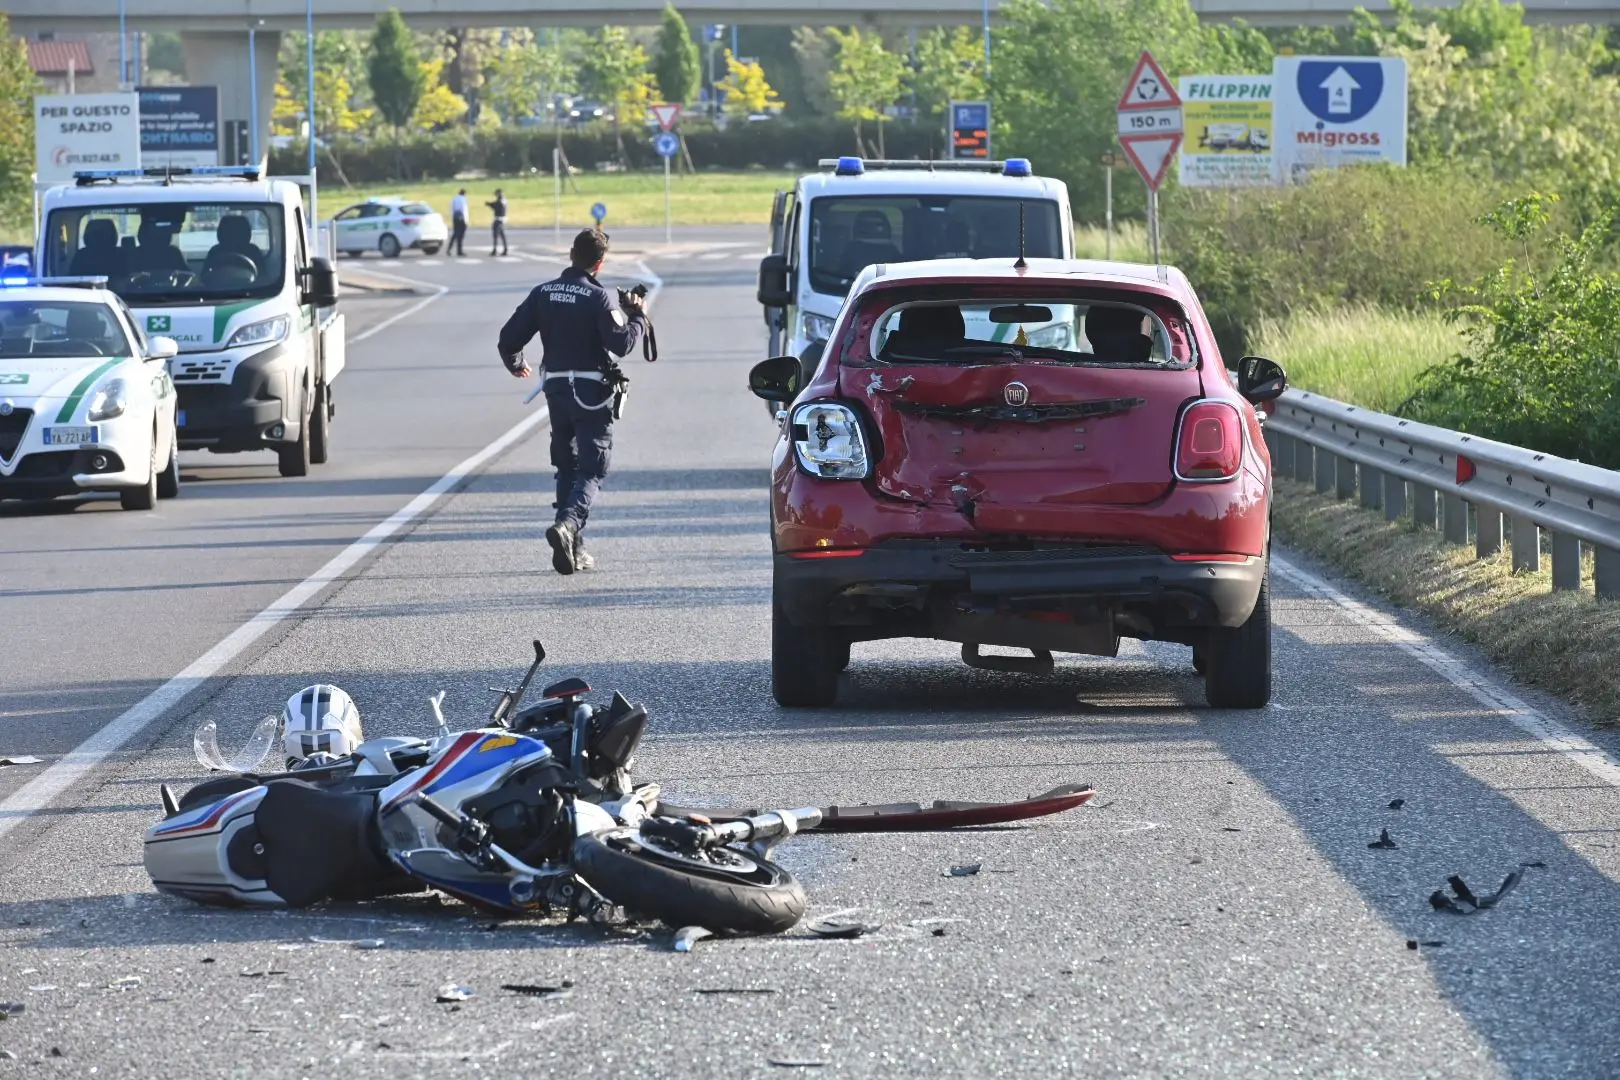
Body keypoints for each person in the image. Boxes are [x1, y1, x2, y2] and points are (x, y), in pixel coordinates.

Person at [497, 229, 651, 575]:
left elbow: (508, 339)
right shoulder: (598, 297)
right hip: (591, 393)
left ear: (570, 254)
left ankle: (572, 546)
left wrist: (517, 362)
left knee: (567, 465)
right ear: (600, 263)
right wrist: (638, 316)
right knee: (593, 467)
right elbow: (621, 344)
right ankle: (567, 525)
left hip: (555, 391)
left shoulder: (543, 292)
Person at [487, 188, 509, 256]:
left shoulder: (500, 202)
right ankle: (505, 249)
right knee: (502, 235)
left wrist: (489, 204)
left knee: (496, 235)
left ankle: (495, 250)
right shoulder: (504, 201)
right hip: (502, 220)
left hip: (498, 220)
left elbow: (495, 206)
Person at [449, 188, 469, 257]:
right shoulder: (463, 200)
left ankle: (449, 249)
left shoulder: (454, 199)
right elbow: (464, 210)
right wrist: (466, 221)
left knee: (455, 234)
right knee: (461, 235)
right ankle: (459, 251)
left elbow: (451, 208)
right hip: (461, 218)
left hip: (455, 217)